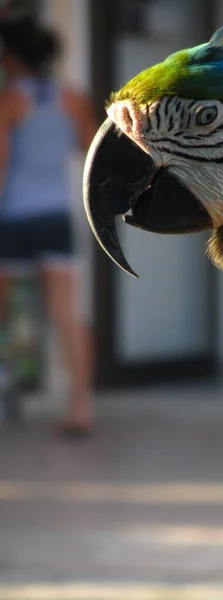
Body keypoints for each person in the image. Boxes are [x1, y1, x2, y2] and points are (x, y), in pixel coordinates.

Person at [0, 19, 98, 436]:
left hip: (13, 218)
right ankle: (80, 410)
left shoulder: (9, 102)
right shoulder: (71, 98)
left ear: (13, 58)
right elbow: (90, 145)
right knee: (65, 314)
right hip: (56, 215)